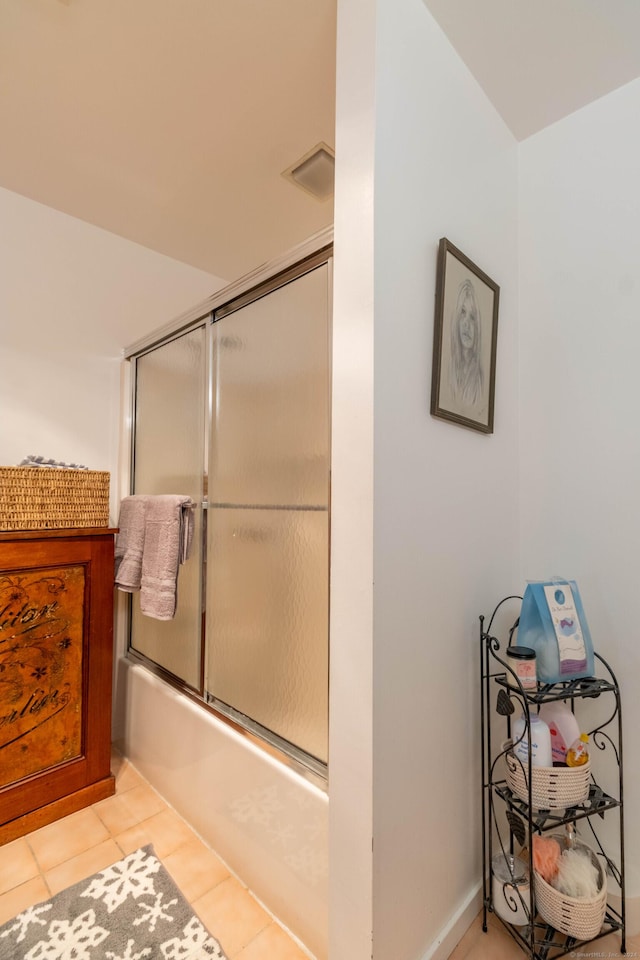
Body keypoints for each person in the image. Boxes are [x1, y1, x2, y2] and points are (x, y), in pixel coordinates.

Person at [449, 278, 483, 409]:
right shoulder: (450, 369)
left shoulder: (478, 380)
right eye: (462, 312)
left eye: (472, 317)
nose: (466, 324)